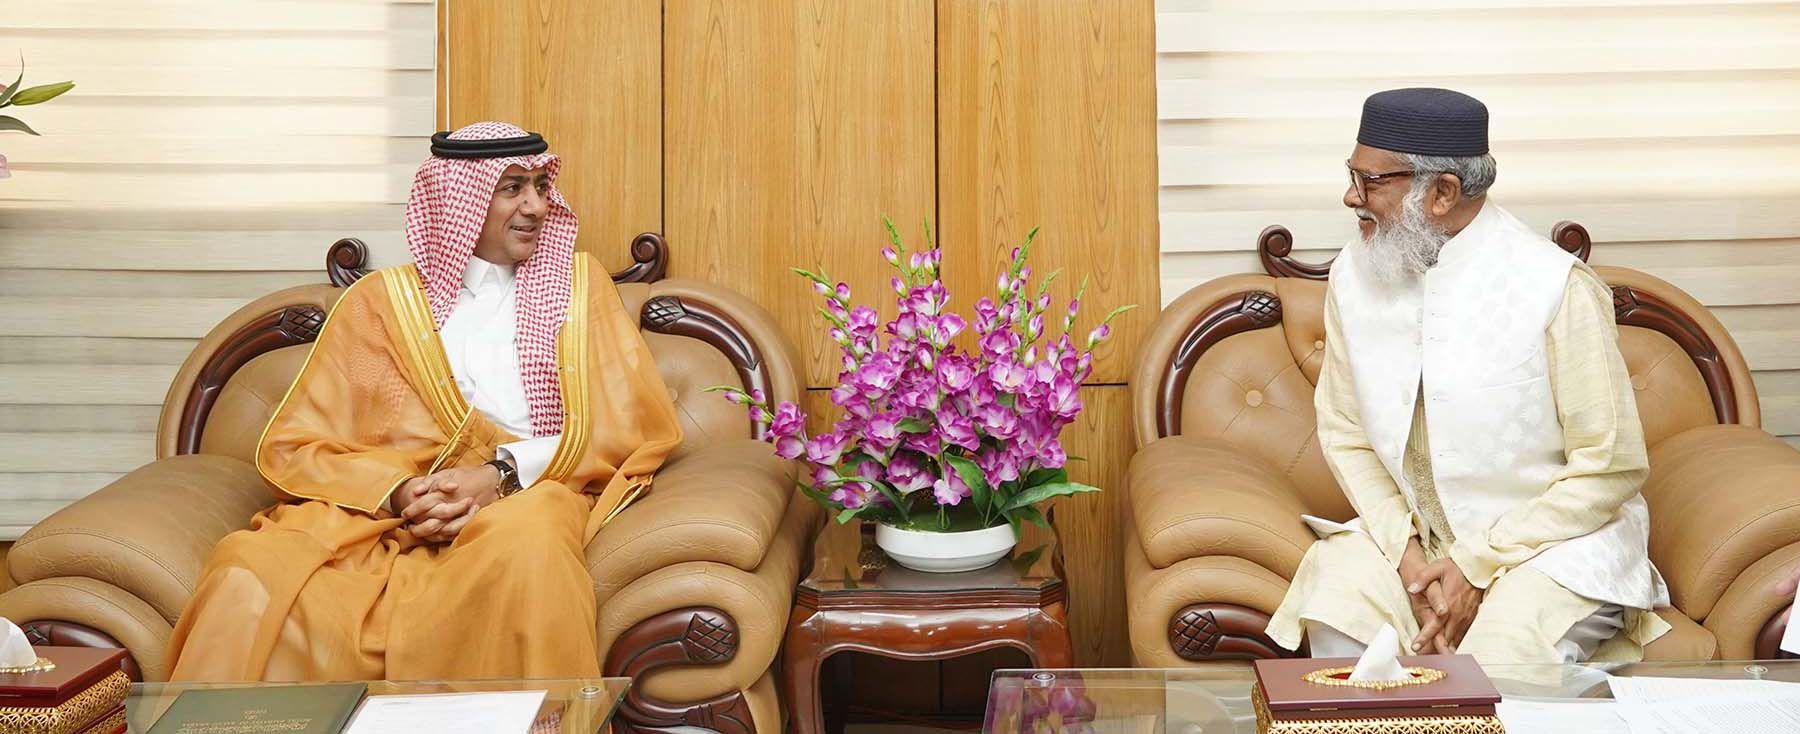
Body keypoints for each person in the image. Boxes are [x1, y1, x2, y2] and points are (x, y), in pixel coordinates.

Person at [165, 122, 683, 681]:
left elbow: (628, 424)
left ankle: (523, 718)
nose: (535, 206)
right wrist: (400, 491)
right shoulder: (380, 302)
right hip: (386, 512)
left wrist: (500, 475)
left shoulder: (580, 289)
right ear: (457, 200)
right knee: (250, 566)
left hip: (526, 496)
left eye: (540, 186)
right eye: (512, 188)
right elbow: (298, 444)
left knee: (531, 545)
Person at [1264, 88, 1669, 665]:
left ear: (1442, 192)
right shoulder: (1354, 274)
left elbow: (1610, 465)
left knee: (1498, 662)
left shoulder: (1554, 285)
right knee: (1339, 603)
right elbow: (1346, 433)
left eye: (1370, 182)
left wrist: (1475, 564)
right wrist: (1408, 558)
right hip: (1414, 542)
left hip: (1548, 548)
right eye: (1352, 176)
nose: (1351, 196)